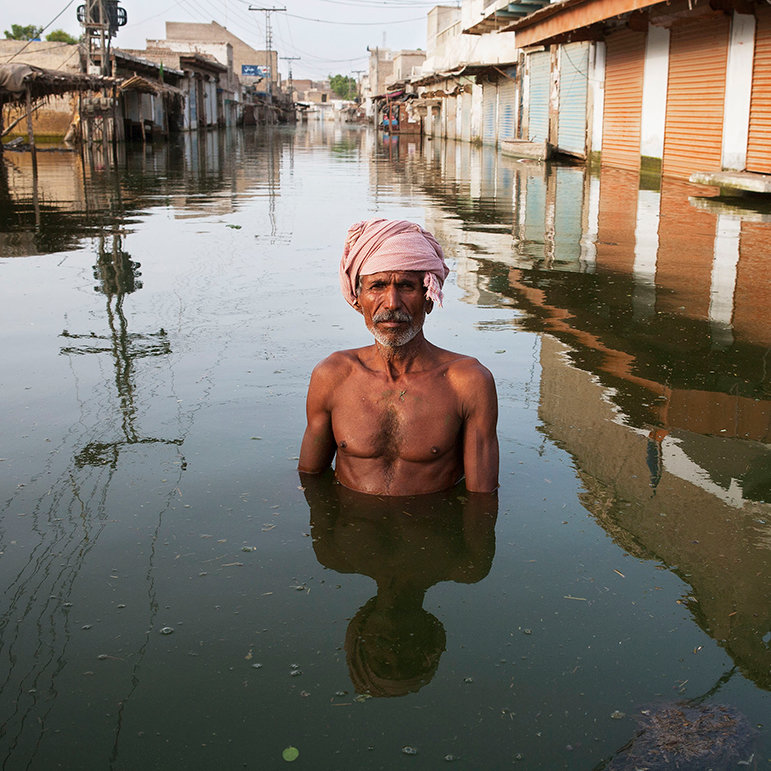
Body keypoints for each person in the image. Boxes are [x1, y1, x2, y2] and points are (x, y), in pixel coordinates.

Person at [298, 218, 499, 496]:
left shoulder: (467, 383)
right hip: (351, 534)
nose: (392, 303)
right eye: (377, 286)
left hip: (431, 531)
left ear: (429, 298)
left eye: (406, 286)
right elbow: (309, 481)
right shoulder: (332, 376)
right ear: (358, 299)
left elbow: (483, 500)